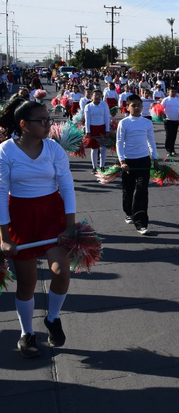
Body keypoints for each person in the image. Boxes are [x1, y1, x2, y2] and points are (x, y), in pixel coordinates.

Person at [0, 98, 77, 358]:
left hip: (51, 215)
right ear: (23, 124)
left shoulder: (54, 149)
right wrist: (4, 237)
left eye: (49, 119)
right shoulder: (5, 151)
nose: (48, 124)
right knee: (27, 283)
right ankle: (26, 333)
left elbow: (66, 186)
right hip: (20, 216)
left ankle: (53, 319)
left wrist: (69, 225)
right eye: (42, 121)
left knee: (61, 272)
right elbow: (0, 194)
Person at [116, 95, 159, 235]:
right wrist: (122, 161)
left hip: (143, 160)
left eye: (139, 105)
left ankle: (141, 222)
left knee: (142, 191)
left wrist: (155, 158)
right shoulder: (124, 123)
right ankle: (128, 212)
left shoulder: (147, 122)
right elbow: (119, 143)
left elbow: (151, 141)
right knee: (128, 190)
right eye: (133, 105)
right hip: (128, 161)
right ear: (127, 107)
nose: (137, 108)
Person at [83, 90, 111, 173]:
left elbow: (107, 117)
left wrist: (107, 130)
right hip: (93, 128)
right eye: (95, 95)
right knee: (94, 148)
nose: (97, 97)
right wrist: (88, 131)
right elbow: (87, 119)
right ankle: (94, 167)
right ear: (92, 96)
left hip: (102, 128)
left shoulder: (104, 104)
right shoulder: (88, 106)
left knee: (103, 148)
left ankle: (102, 166)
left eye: (99, 95)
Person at [161, 87, 179, 156]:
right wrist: (163, 114)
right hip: (168, 120)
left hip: (175, 120)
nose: (173, 93)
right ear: (168, 92)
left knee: (174, 135)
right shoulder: (165, 100)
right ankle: (168, 149)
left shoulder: (178, 100)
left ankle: (172, 149)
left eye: (174, 92)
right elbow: (160, 107)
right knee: (169, 135)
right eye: (172, 91)